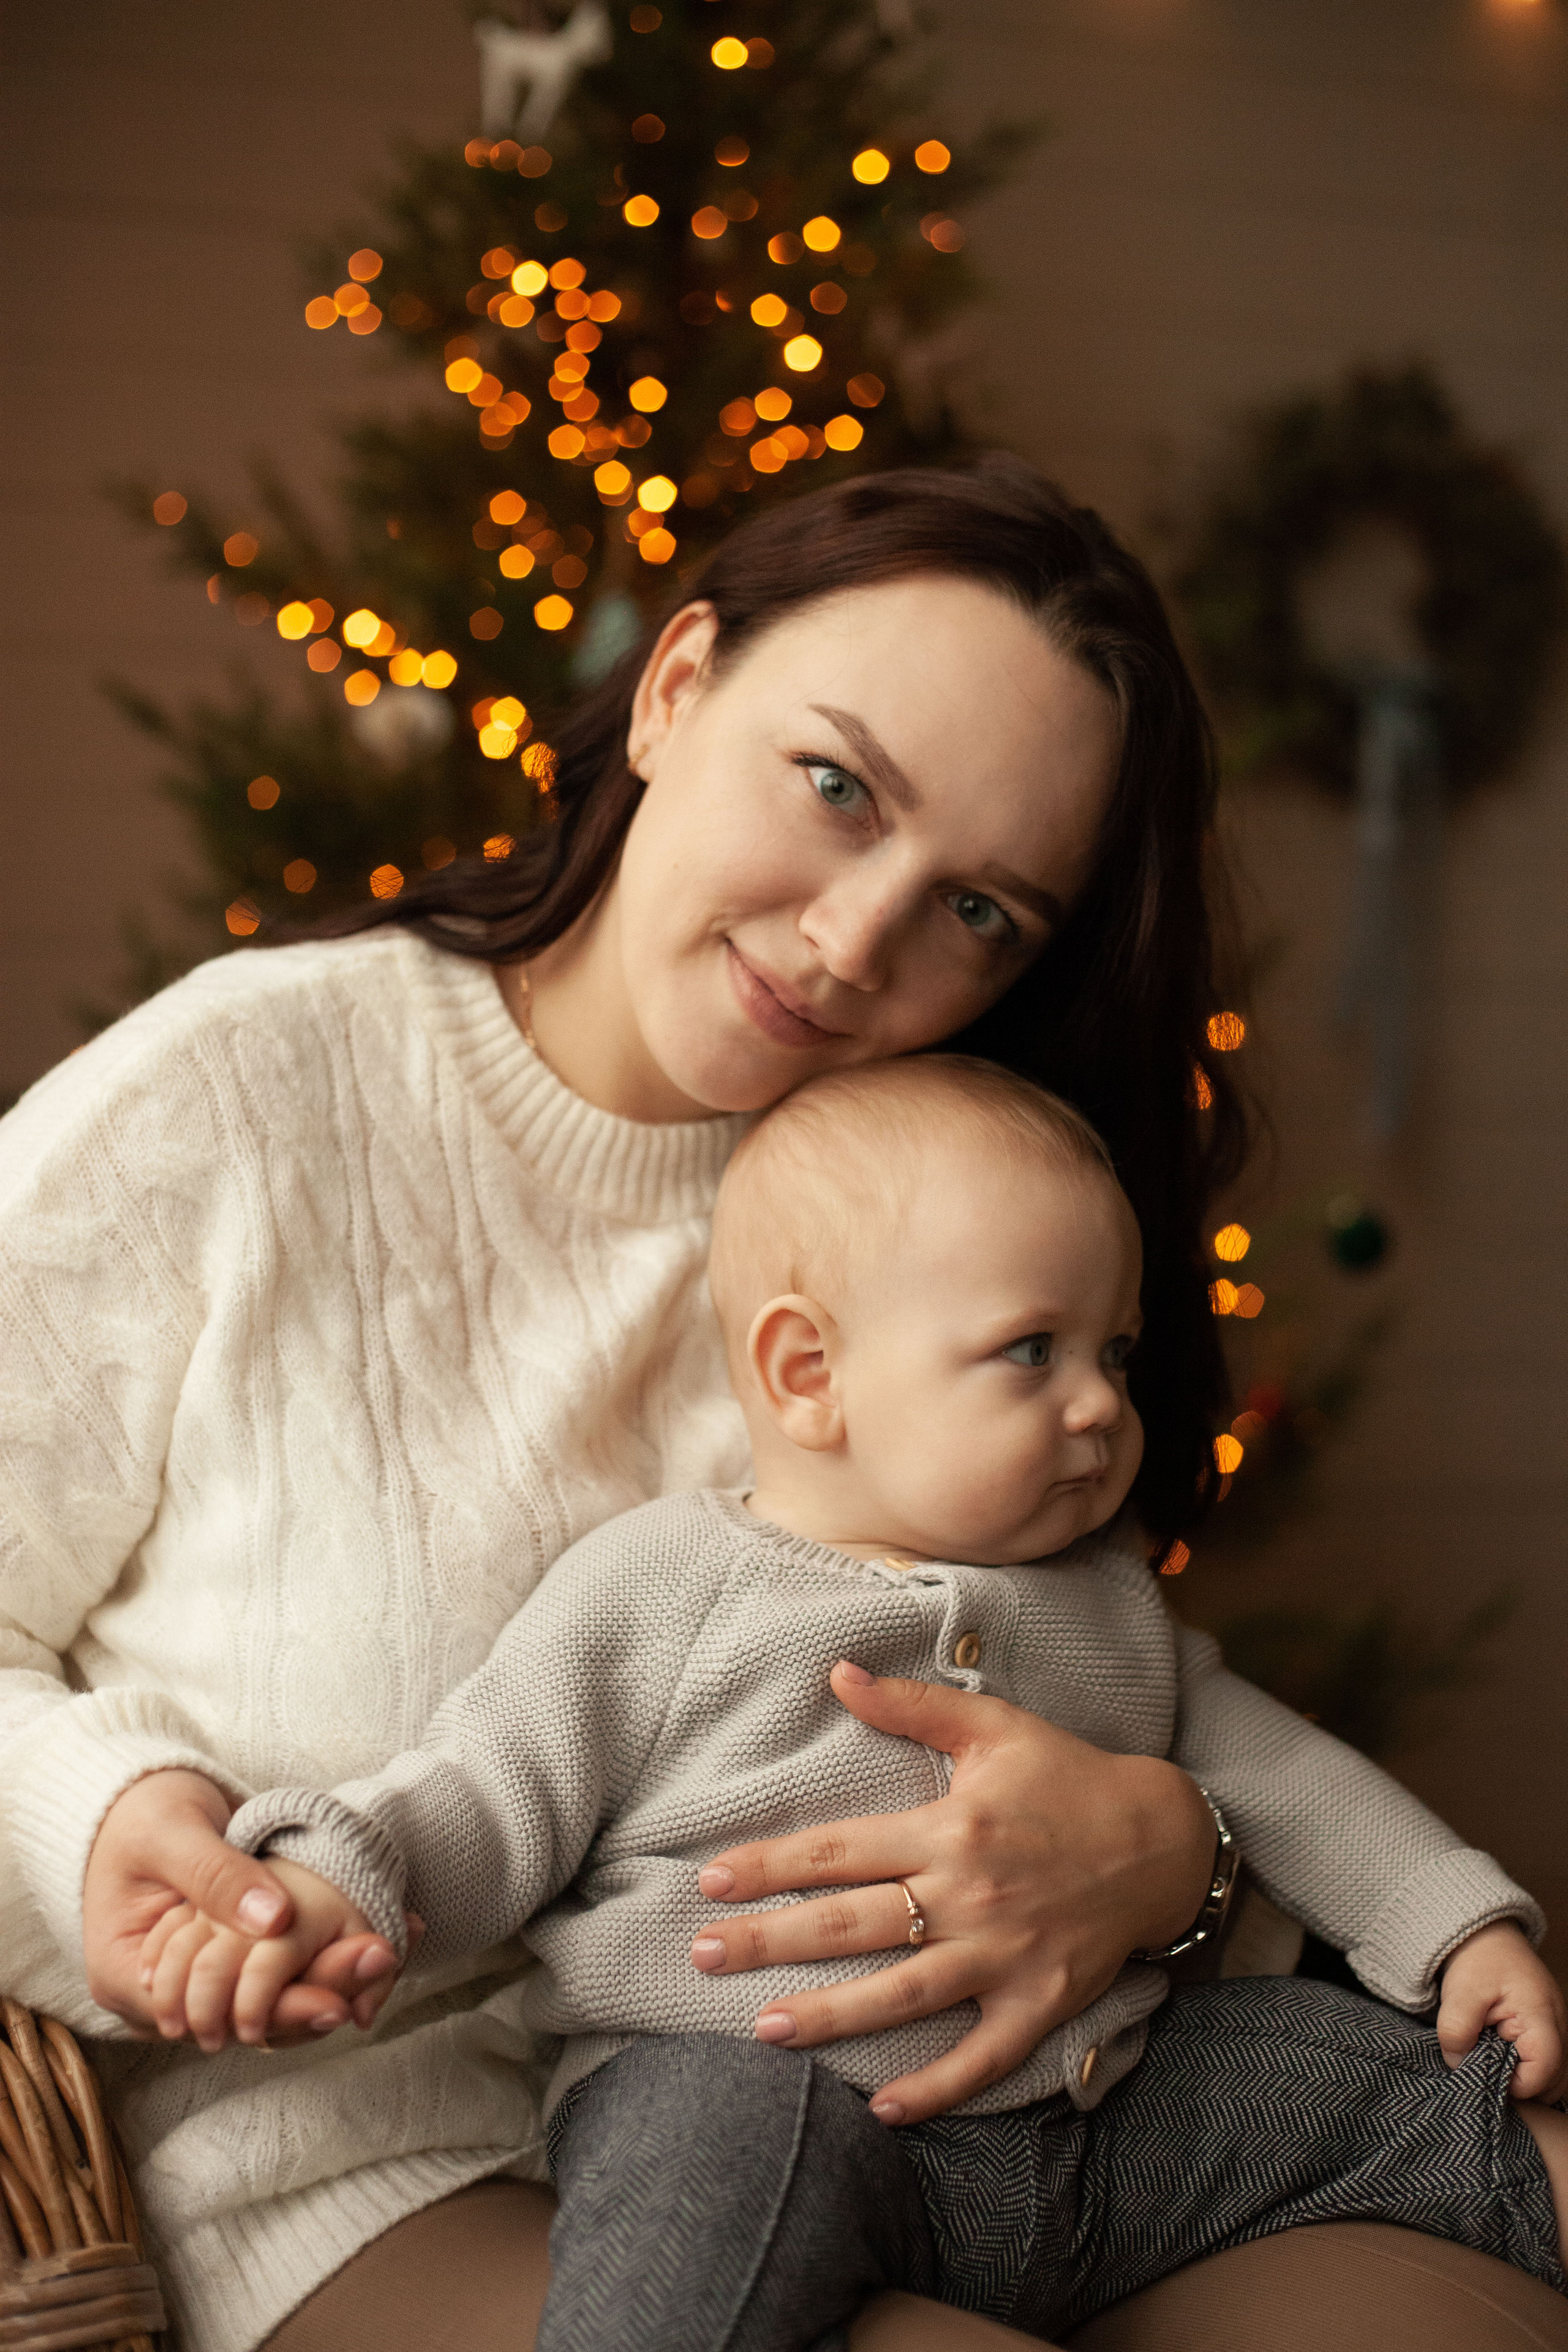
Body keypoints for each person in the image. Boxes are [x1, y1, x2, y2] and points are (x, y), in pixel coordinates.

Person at [0, 455, 1518, 2352]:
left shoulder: (951, 1213)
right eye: (837, 786)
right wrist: (97, 1809)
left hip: (977, 2141)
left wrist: (1173, 1864)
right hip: (342, 2175)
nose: (857, 939)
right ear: (676, 687)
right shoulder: (245, 1099)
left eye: (979, 909)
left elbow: (1102, 1677)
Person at [135, 1055, 1568, 2350]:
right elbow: (488, 1788)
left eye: (1114, 1354)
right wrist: (334, 1890)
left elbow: (1283, 1776)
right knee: (695, 2165)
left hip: (1102, 2121)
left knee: (1392, 2082)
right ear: (807, 1374)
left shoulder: (1106, 1599)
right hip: (777, 2096)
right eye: (1032, 1351)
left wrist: (1453, 1922)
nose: (1097, 1408)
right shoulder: (668, 1583)